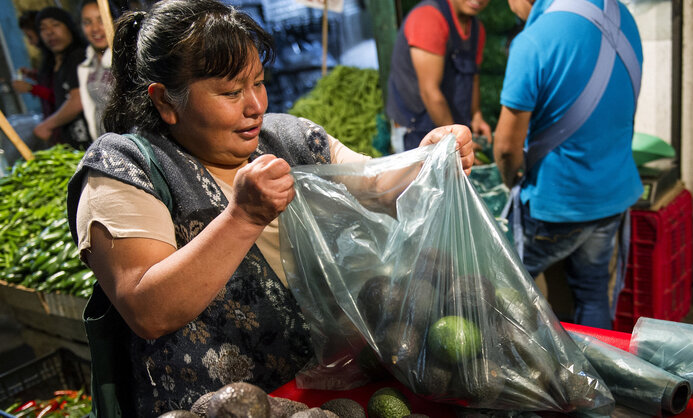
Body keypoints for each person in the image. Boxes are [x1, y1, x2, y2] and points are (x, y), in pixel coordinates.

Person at [65, 0, 473, 415]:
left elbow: (378, 186)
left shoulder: (288, 138)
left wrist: (429, 162)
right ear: (166, 101)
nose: (255, 105)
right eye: (230, 92)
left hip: (321, 395)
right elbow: (148, 309)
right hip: (213, 408)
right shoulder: (123, 169)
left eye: (257, 83)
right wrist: (243, 217)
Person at [493, 0, 643, 330]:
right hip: (612, 196)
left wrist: (509, 178)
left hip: (557, 205)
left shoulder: (532, 41)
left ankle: (524, 374)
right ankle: (597, 377)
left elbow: (506, 149)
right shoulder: (622, 17)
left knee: (501, 291)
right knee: (592, 294)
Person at [386, 0, 491, 152]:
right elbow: (430, 92)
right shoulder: (428, 19)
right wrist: (456, 142)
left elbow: (473, 76)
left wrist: (476, 115)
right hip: (417, 132)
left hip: (450, 129)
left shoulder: (477, 29)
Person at [18, 7, 91, 148]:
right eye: (43, 28)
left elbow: (77, 100)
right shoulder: (56, 62)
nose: (50, 32)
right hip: (72, 143)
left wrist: (47, 125)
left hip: (89, 143)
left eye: (55, 25)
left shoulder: (77, 57)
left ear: (69, 27)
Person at [77, 0, 113, 140]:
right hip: (106, 146)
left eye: (101, 20)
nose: (95, 29)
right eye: (87, 22)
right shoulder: (88, 66)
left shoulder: (127, 58)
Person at [12, 11, 54, 113]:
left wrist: (31, 88)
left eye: (30, 37)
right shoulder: (47, 58)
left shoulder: (57, 57)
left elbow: (59, 96)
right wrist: (33, 75)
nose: (30, 43)